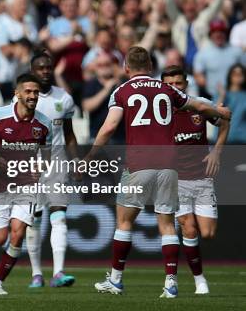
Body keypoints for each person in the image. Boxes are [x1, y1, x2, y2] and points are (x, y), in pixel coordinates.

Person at [85, 46, 230, 298]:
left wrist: (89, 155)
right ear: (151, 68)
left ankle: (116, 280)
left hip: (138, 163)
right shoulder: (167, 89)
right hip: (169, 165)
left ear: (126, 68)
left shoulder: (123, 90)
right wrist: (219, 112)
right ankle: (171, 283)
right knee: (167, 225)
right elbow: (196, 104)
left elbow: (109, 127)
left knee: (124, 221)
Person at [0, 73, 52, 295]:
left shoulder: (44, 124)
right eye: (28, 91)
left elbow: (47, 155)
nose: (32, 95)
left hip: (26, 187)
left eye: (36, 92)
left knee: (18, 234)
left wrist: (41, 168)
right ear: (17, 93)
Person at [161, 65, 229, 295]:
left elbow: (225, 118)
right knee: (188, 229)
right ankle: (200, 280)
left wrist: (216, 152)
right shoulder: (159, 112)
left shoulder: (199, 105)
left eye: (178, 84)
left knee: (208, 233)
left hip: (202, 178)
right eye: (169, 85)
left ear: (186, 85)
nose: (174, 88)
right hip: (176, 181)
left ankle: (198, 273)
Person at [24, 51, 78, 289]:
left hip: (57, 162)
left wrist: (76, 161)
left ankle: (58, 272)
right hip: (31, 165)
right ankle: (36, 273)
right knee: (33, 220)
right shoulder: (22, 99)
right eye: (40, 68)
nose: (45, 71)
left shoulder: (64, 98)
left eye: (48, 67)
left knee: (59, 216)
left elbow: (69, 134)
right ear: (32, 70)